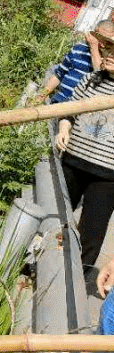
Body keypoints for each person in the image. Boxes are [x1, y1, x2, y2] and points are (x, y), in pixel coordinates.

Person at [54, 20, 114, 286]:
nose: (108, 54)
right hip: (73, 160)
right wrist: (63, 128)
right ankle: (45, 265)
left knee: (92, 231)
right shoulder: (91, 80)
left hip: (107, 174)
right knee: (57, 218)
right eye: (108, 48)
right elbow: (69, 109)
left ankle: (76, 280)